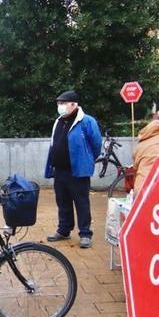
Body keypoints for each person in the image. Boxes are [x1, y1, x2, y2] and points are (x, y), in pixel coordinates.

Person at [44, 90, 102, 249]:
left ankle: (85, 234)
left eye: (63, 103)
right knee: (62, 202)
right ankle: (64, 230)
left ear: (74, 104)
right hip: (60, 171)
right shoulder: (59, 121)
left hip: (78, 171)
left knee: (82, 203)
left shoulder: (87, 121)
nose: (60, 106)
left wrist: (87, 160)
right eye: (58, 104)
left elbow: (96, 145)